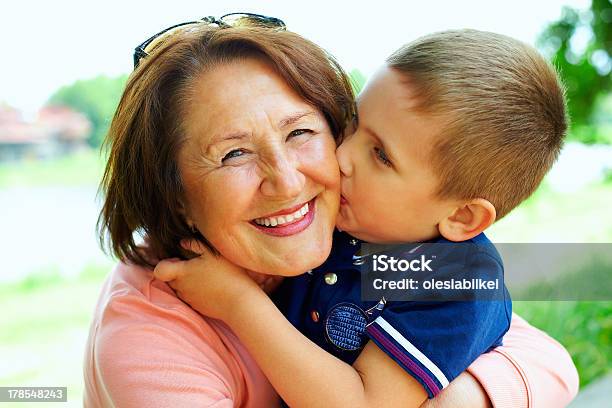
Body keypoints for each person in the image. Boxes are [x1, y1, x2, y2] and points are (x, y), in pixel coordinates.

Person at [84, 15, 578, 407]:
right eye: (233, 153)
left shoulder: (440, 267)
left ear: (462, 219)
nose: (338, 161)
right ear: (171, 191)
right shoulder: (148, 331)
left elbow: (544, 358)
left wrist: (240, 303)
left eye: (301, 132)